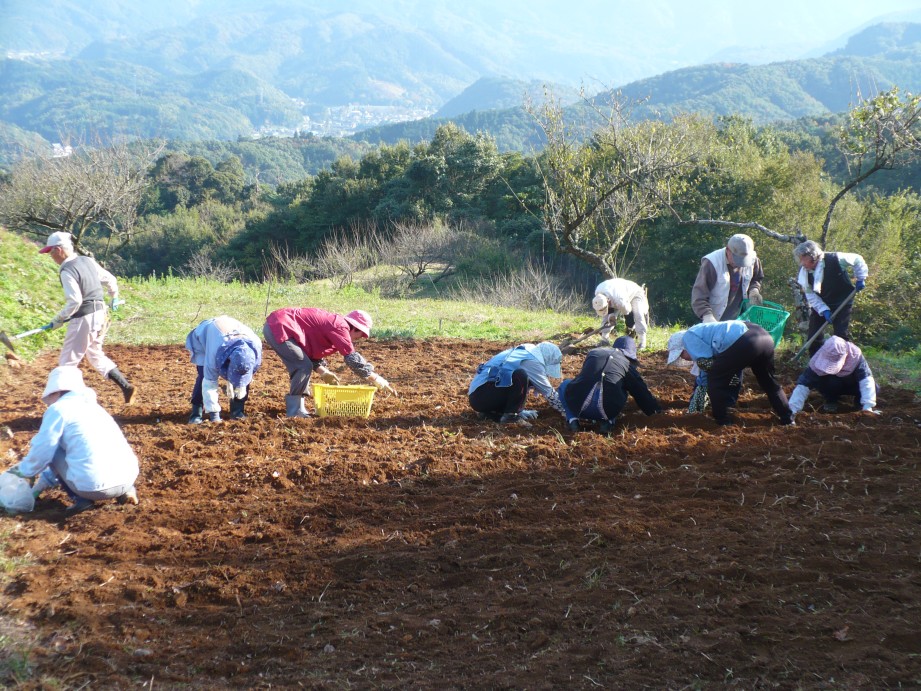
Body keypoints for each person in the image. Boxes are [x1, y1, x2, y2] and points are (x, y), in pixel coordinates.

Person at [7, 366, 139, 517]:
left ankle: (82, 499)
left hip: (94, 488)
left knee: (53, 448)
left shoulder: (58, 410)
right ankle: (127, 492)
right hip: (129, 477)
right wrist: (39, 486)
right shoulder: (95, 408)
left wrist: (24, 472)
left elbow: (43, 451)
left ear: (56, 392)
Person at [38, 231, 136, 404]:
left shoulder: (67, 270)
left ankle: (65, 405)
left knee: (67, 363)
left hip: (84, 317)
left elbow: (75, 301)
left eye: (51, 252)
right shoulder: (87, 261)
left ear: (59, 250)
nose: (51, 257)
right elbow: (110, 279)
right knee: (95, 354)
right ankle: (126, 386)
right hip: (101, 314)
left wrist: (58, 320)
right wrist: (114, 297)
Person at [262, 307, 396, 418]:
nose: (357, 339)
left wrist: (324, 372)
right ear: (355, 328)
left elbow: (309, 354)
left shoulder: (336, 326)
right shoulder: (340, 326)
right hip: (279, 326)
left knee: (304, 364)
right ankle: (294, 412)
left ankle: (299, 409)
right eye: (359, 335)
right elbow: (353, 361)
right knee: (302, 366)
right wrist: (377, 380)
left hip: (278, 325)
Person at [666, 321, 793, 426]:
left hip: (746, 341)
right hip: (764, 338)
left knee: (715, 378)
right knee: (768, 382)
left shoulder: (688, 337)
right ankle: (788, 418)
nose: (684, 359)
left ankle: (722, 421)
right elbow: (733, 372)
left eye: (681, 355)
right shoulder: (707, 334)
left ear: (683, 347)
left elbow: (708, 371)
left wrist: (695, 408)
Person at [558, 336, 661, 434]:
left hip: (578, 405)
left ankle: (572, 420)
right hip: (607, 410)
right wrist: (655, 412)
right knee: (620, 387)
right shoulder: (627, 365)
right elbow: (640, 392)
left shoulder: (594, 352)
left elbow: (583, 378)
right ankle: (607, 422)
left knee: (565, 384)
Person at [793, 240, 868, 356]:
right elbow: (810, 295)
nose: (801, 263)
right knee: (813, 337)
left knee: (840, 337)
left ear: (812, 256)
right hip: (821, 303)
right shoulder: (804, 274)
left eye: (803, 259)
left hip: (843, 301)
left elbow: (857, 259)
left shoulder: (835, 259)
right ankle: (816, 365)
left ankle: (842, 366)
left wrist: (860, 278)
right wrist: (824, 310)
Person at [185, 316, 262, 424]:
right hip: (205, 339)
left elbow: (244, 372)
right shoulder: (215, 350)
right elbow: (209, 382)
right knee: (203, 375)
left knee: (243, 374)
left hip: (229, 336)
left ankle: (237, 411)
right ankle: (196, 414)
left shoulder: (255, 346)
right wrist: (214, 416)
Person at [468, 342, 566, 426]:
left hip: (479, 395)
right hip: (482, 394)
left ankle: (492, 413)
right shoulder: (532, 361)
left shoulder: (526, 351)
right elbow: (549, 393)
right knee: (520, 376)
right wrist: (568, 411)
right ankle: (511, 417)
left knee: (519, 378)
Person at [788, 336, 880, 419]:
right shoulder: (817, 360)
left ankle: (859, 404)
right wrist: (792, 411)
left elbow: (866, 379)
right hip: (831, 385)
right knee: (830, 382)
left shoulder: (855, 355)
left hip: (852, 384)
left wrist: (867, 407)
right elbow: (803, 385)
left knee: (875, 388)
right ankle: (831, 399)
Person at [692, 233, 765, 324]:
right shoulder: (712, 263)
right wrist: (707, 315)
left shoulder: (752, 259)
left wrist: (754, 290)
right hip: (716, 318)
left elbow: (756, 278)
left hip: (741, 318)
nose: (740, 263)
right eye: (737, 259)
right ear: (728, 250)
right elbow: (699, 296)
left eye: (743, 259)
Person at [591, 278, 650, 349]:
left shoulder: (620, 301)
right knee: (606, 317)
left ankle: (642, 342)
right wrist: (611, 315)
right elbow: (608, 309)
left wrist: (630, 326)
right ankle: (604, 340)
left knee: (638, 315)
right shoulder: (598, 294)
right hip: (618, 291)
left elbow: (628, 312)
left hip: (635, 293)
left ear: (608, 302)